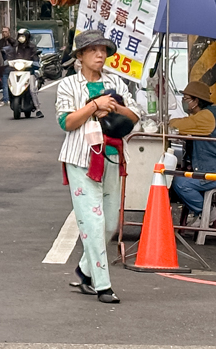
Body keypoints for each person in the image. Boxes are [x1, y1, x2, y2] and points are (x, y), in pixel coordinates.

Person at [54, 29, 137, 305]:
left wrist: (112, 107)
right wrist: (93, 106)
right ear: (80, 56)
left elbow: (135, 115)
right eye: (93, 50)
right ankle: (103, 286)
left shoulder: (117, 83)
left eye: (103, 50)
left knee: (110, 223)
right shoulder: (68, 85)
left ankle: (83, 271)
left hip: (112, 155)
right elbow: (66, 122)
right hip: (81, 159)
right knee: (93, 221)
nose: (100, 54)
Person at [167, 80, 216, 223]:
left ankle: (207, 213)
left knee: (180, 183)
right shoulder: (208, 114)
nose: (183, 102)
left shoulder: (207, 116)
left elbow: (180, 125)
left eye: (186, 99)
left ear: (196, 101)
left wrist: (166, 122)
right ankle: (202, 213)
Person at [12, 29, 46, 117]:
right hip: (17, 71)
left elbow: (35, 57)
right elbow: (10, 54)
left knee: (32, 90)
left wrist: (34, 62)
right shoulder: (15, 46)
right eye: (20, 36)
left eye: (23, 36)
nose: (21, 38)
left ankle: (38, 109)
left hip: (29, 71)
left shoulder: (32, 46)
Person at [0, 26, 17, 104]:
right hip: (3, 64)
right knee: (4, 82)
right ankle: (6, 98)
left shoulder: (13, 41)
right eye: (3, 32)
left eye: (5, 32)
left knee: (11, 81)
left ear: (9, 32)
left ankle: (9, 97)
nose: (4, 33)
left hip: (12, 64)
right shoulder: (1, 42)